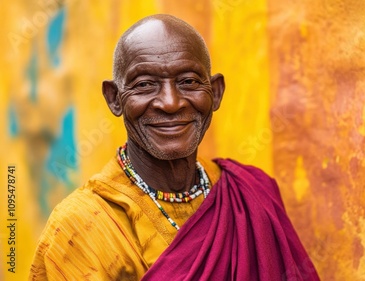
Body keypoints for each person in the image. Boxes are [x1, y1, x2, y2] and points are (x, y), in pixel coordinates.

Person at [29, 14, 319, 280]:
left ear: (215, 93)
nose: (171, 102)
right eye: (144, 85)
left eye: (189, 81)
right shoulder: (78, 229)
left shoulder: (252, 195)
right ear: (115, 99)